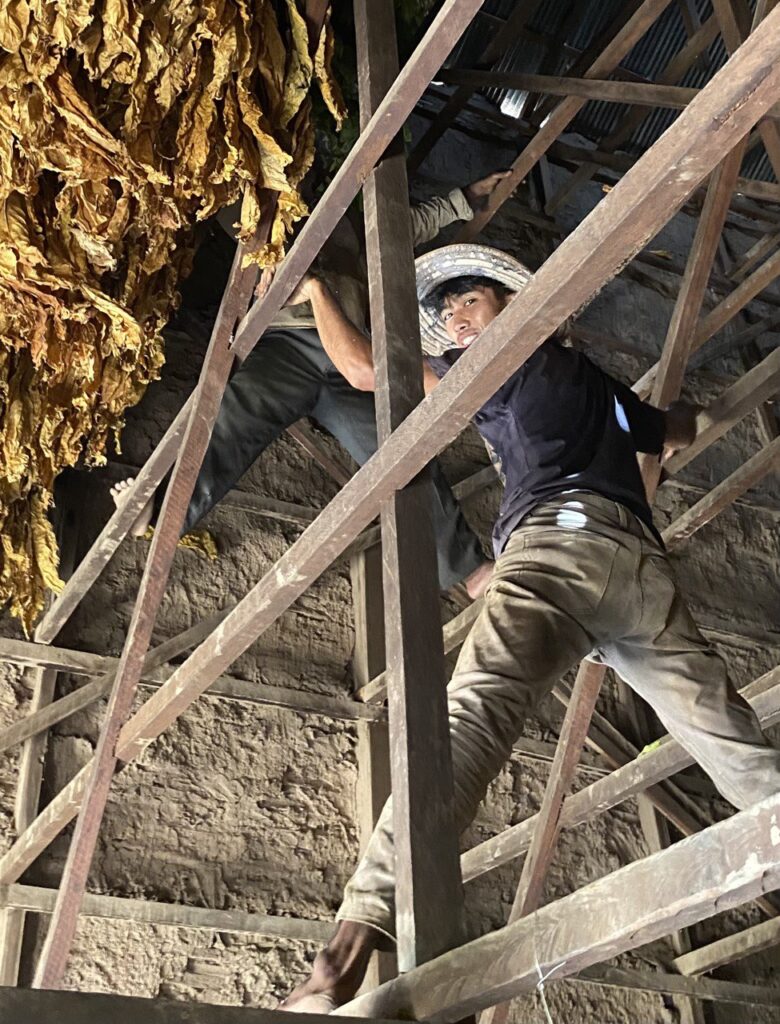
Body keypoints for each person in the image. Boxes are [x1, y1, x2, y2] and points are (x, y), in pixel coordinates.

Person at [278, 243, 780, 1013]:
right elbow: (674, 428)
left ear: (512, 303)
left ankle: (338, 966)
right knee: (729, 738)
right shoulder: (603, 389)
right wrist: (689, 420)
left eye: (466, 303)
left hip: (553, 554)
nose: (452, 321)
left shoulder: (497, 363)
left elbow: (363, 373)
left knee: (470, 720)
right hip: (637, 570)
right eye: (444, 315)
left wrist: (313, 286)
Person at [111, 177, 512, 598]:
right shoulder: (255, 206)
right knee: (236, 413)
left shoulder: (347, 223)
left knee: (400, 450)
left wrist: (461, 199)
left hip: (350, 353)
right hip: (288, 345)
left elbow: (405, 227)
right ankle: (160, 513)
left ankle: (465, 569)